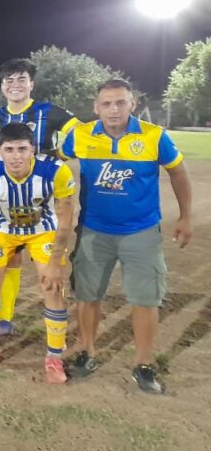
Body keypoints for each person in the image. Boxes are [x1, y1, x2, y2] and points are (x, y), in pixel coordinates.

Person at [62, 79, 192, 394]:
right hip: (94, 230)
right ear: (96, 108)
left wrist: (186, 216)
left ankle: (143, 364)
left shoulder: (153, 136)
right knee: (87, 296)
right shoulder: (79, 136)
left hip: (141, 232)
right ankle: (87, 352)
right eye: (106, 103)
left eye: (121, 102)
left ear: (132, 104)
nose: (114, 109)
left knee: (145, 300)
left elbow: (178, 172)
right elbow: (55, 165)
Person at [0, 123, 76, 383]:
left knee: (51, 285)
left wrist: (54, 260)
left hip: (42, 229)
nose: (16, 156)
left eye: (22, 149)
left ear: (33, 150)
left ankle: (53, 357)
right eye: (9, 149)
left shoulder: (56, 171)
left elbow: (65, 216)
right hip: (3, 227)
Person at [0, 58, 79, 335]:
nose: (15, 85)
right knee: (10, 258)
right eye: (9, 80)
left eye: (21, 79)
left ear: (31, 83)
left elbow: (82, 132)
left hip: (44, 206)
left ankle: (56, 323)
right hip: (5, 204)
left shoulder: (49, 112)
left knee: (48, 267)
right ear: (2, 86)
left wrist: (60, 156)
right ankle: (5, 318)